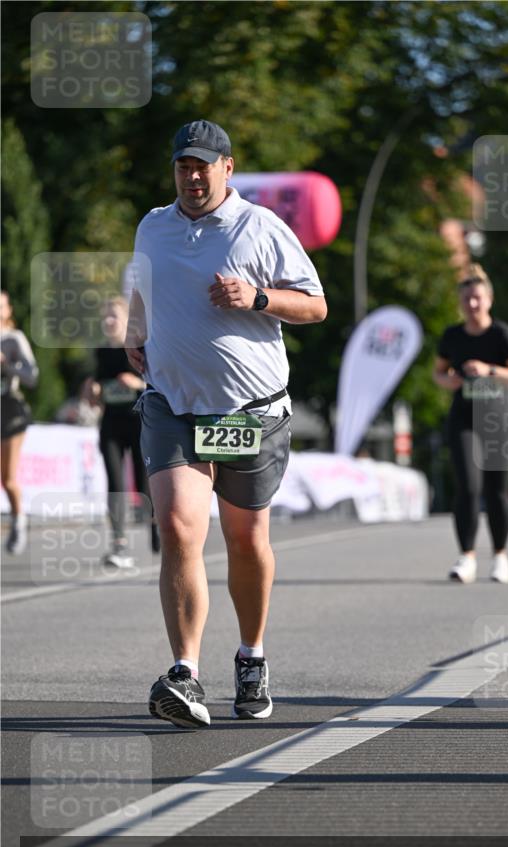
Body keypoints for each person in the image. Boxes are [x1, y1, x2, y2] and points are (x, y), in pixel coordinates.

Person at [126, 120, 327, 729]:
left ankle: (252, 655)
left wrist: (258, 298)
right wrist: (136, 332)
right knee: (180, 527)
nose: (192, 176)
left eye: (203, 166)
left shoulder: (261, 227)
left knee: (245, 541)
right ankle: (185, 673)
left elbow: (316, 305)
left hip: (248, 412)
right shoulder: (153, 226)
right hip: (171, 404)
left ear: (227, 168)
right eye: (183, 166)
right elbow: (143, 285)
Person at [433, 265, 508, 583]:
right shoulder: (452, 335)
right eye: (466, 299)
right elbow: (439, 373)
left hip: (500, 418)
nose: (472, 305)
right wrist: (453, 380)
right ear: (460, 303)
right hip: (464, 417)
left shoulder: (502, 334)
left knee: (496, 490)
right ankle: (467, 557)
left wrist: (489, 369)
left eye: (477, 298)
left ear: (488, 299)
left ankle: (500, 556)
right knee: (468, 487)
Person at [82, 296, 158, 568]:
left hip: (139, 422)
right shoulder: (101, 350)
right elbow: (97, 390)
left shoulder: (141, 345)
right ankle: (119, 543)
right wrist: (93, 392)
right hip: (111, 423)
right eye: (105, 317)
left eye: (114, 316)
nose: (108, 321)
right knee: (116, 485)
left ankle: (156, 528)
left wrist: (137, 383)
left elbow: (159, 381)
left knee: (144, 483)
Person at [1, 290, 39, 555]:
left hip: (10, 409)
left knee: (8, 478)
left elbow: (32, 376)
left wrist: (6, 364)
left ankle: (18, 520)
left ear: (8, 310)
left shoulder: (13, 339)